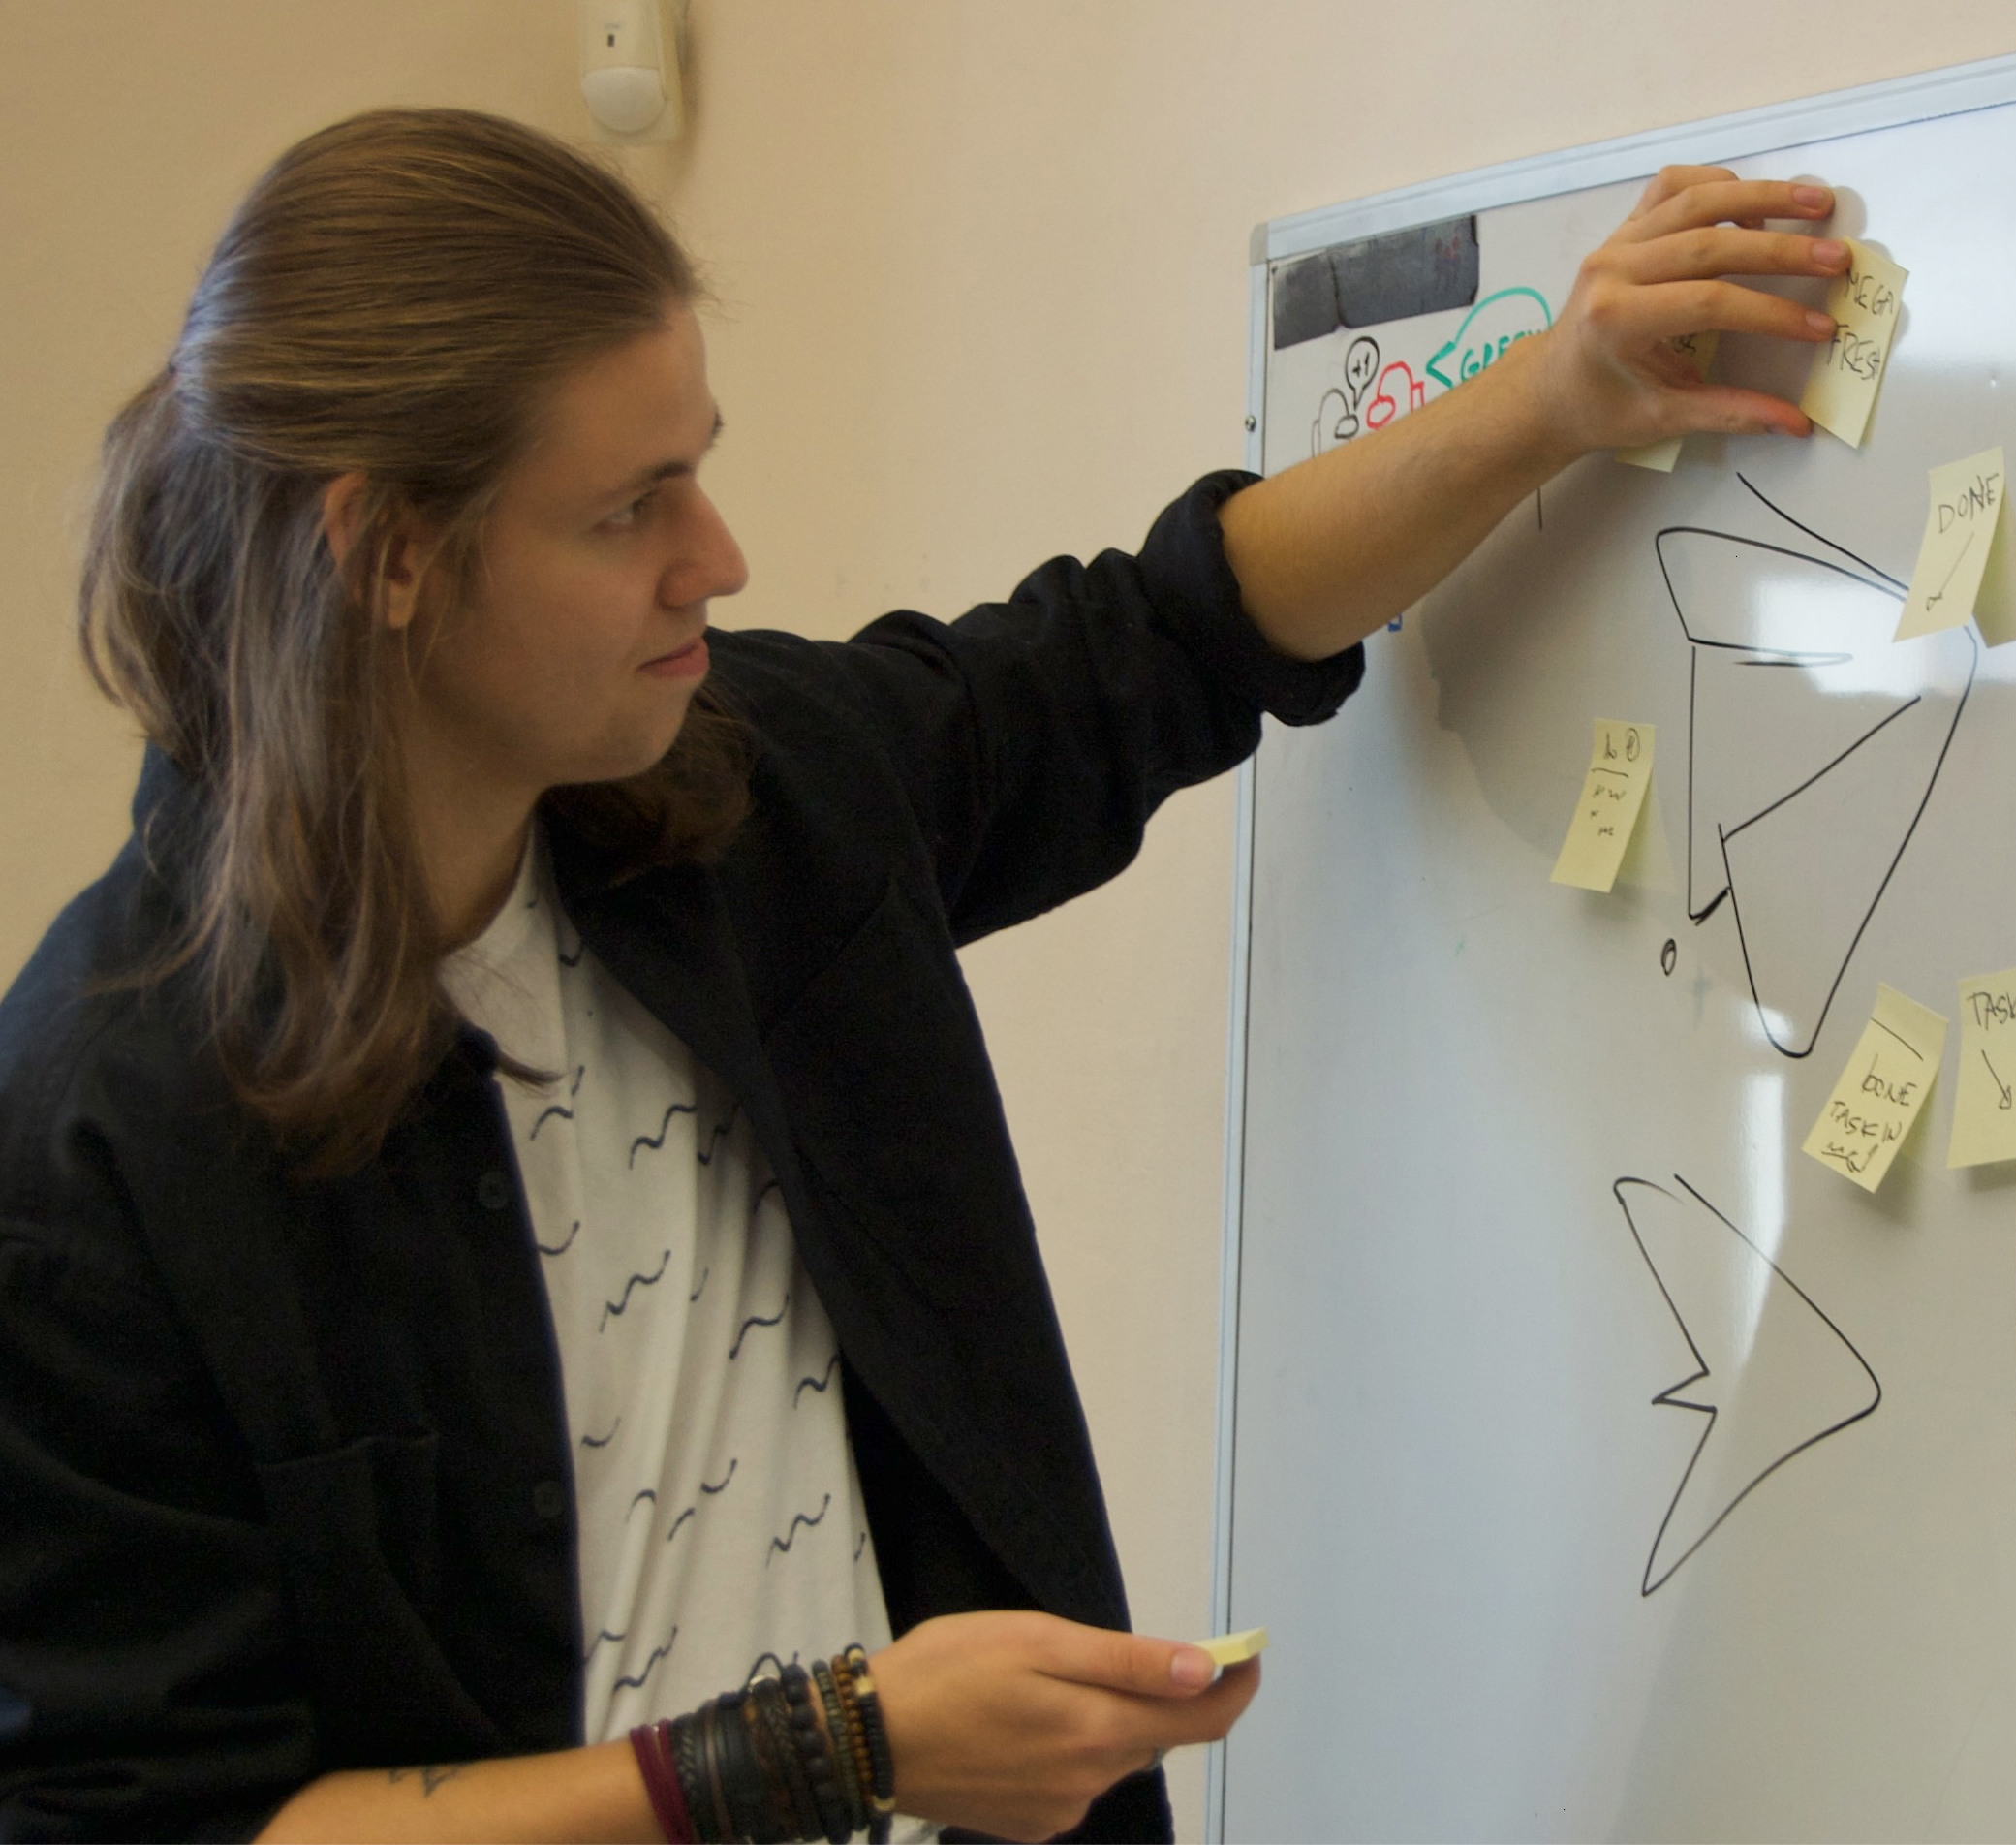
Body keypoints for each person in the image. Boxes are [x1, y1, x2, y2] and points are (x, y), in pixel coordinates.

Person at [0, 108, 1848, 1844]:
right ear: (383, 555)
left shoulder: (750, 791)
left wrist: (1556, 396)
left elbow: (1160, 639)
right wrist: (822, 1753)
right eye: (627, 510)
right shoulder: (99, 1141)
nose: (712, 562)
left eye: (699, 475)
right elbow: (156, 1818)